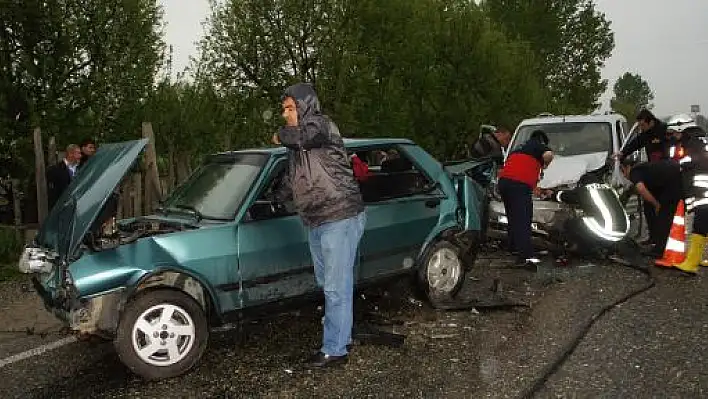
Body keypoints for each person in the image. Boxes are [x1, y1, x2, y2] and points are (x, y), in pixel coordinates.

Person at [276, 83, 366, 368]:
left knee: (335, 288)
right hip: (316, 219)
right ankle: (342, 335)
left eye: (290, 108)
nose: (285, 114)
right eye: (283, 109)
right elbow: (294, 180)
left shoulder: (321, 127)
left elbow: (302, 135)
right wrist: (276, 200)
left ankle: (335, 350)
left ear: (304, 106)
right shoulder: (298, 148)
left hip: (339, 215)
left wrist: (280, 134)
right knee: (329, 284)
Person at [497, 130, 554, 267]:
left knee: (513, 217)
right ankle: (525, 256)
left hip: (504, 183)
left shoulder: (518, 148)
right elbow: (549, 154)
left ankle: (513, 247)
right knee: (523, 218)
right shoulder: (537, 144)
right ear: (542, 140)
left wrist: (536, 189)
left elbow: (521, 170)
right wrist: (546, 164)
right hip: (518, 184)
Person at [620, 158, 682, 257]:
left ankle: (660, 249)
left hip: (672, 182)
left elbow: (641, 188)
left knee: (664, 214)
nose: (624, 175)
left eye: (623, 171)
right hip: (670, 176)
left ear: (627, 167)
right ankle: (654, 238)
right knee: (648, 208)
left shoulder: (634, 172)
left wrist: (656, 204)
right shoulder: (644, 169)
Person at [668, 120, 708, 273]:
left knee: (699, 227)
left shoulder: (690, 150)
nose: (676, 138)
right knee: (705, 226)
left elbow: (687, 178)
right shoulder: (702, 143)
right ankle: (696, 259)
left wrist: (689, 202)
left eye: (676, 133)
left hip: (702, 194)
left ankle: (691, 264)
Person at [46, 144, 82, 210]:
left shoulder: (81, 169)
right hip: (61, 208)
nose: (80, 156)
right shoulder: (55, 170)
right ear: (70, 154)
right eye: (78, 153)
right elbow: (53, 193)